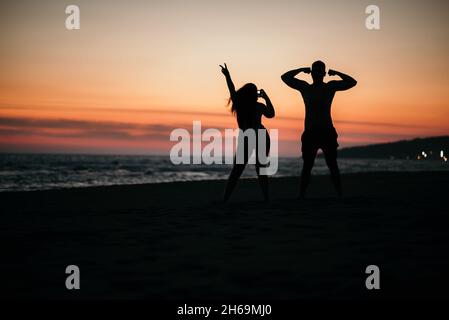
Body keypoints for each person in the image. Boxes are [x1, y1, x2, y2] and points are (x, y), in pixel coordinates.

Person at [281, 61, 357, 198]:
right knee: (307, 166)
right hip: (311, 132)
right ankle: (301, 196)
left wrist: (337, 73)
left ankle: (340, 194)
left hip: (326, 131)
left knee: (332, 165)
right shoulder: (305, 87)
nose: (316, 73)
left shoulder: (330, 87)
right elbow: (285, 77)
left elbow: (352, 82)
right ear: (312, 72)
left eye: (319, 70)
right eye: (314, 70)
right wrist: (301, 69)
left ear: (323, 73)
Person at [220, 63, 275, 202]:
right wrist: (266, 97)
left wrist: (227, 75)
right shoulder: (258, 105)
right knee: (259, 169)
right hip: (259, 135)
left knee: (238, 170)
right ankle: (266, 198)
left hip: (250, 136)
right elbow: (271, 114)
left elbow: (232, 89)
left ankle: (225, 199)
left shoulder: (240, 104)